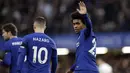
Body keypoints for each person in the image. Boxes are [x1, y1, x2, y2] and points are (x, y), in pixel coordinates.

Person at [67, 1, 99, 73]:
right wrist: (72, 69)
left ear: (84, 23)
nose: (75, 26)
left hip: (84, 70)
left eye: (78, 23)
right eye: (74, 24)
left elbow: (89, 26)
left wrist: (85, 15)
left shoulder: (86, 32)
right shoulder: (82, 37)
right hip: (88, 69)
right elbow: (81, 59)